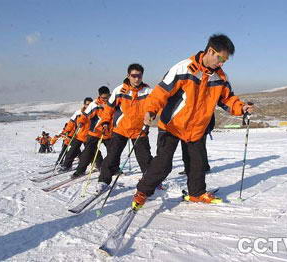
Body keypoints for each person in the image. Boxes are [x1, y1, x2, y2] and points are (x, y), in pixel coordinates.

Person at [132, 34, 254, 209]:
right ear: (210, 51)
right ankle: (143, 191)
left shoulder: (220, 77)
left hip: (196, 128)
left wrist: (241, 108)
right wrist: (151, 110)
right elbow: (161, 92)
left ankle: (196, 193)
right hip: (172, 125)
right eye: (220, 59)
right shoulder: (184, 68)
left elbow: (227, 100)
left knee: (196, 164)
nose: (221, 64)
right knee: (163, 164)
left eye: (225, 61)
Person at [96, 64, 153, 193]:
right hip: (121, 129)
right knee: (112, 156)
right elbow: (109, 108)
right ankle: (103, 181)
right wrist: (105, 122)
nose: (136, 79)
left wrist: (150, 118)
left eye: (139, 76)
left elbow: (154, 107)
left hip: (139, 130)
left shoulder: (148, 91)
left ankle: (151, 181)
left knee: (145, 158)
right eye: (133, 76)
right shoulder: (120, 90)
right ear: (128, 76)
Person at [71, 86, 112, 178]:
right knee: (88, 152)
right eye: (103, 98)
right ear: (99, 96)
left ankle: (113, 168)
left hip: (107, 132)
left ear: (110, 94)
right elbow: (85, 115)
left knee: (113, 152)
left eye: (107, 97)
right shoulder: (94, 104)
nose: (105, 99)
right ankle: (80, 171)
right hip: (95, 132)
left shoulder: (113, 102)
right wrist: (81, 122)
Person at [57, 97, 93, 170]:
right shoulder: (78, 113)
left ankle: (97, 164)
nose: (88, 106)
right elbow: (71, 123)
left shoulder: (94, 112)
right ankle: (66, 165)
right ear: (84, 104)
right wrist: (67, 131)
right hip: (79, 135)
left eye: (90, 104)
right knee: (72, 150)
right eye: (87, 104)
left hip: (90, 135)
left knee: (92, 150)